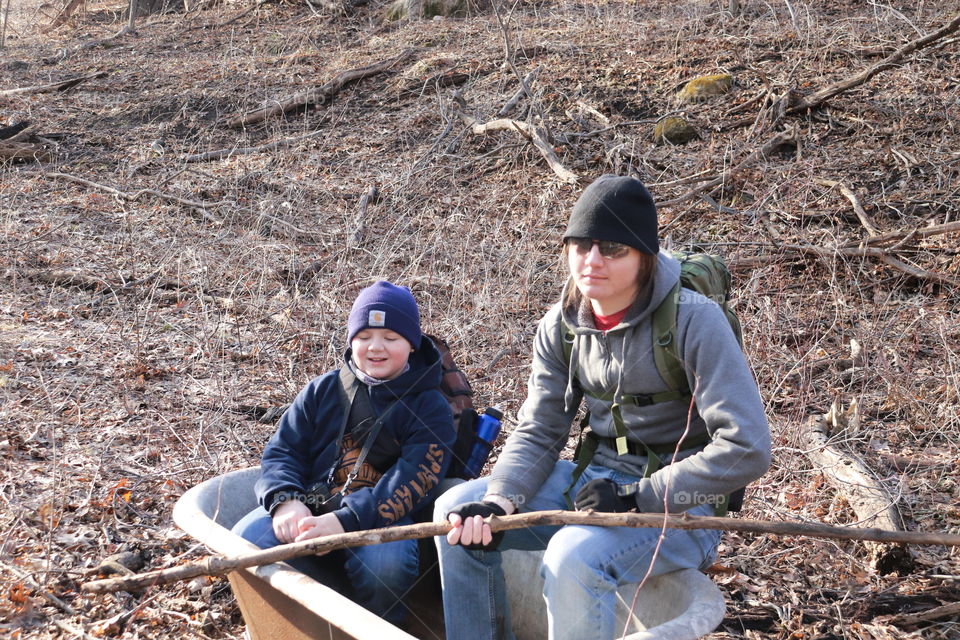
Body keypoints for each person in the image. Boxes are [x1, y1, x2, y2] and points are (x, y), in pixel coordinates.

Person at [435, 175, 771, 640]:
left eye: (612, 248)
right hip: (593, 484)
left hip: (682, 507)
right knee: (454, 512)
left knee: (572, 557)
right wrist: (500, 500)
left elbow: (747, 447)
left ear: (644, 258)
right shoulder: (561, 325)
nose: (592, 261)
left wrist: (641, 496)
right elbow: (539, 429)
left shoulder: (695, 321)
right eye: (580, 245)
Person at [233, 280, 455, 626]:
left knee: (386, 564)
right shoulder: (322, 390)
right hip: (310, 509)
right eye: (364, 337)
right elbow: (283, 451)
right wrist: (286, 501)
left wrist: (343, 522)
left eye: (391, 338)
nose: (375, 348)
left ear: (412, 345)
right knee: (247, 538)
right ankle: (311, 620)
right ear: (351, 341)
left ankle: (378, 625)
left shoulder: (430, 407)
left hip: (380, 522)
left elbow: (413, 480)